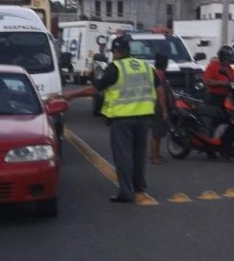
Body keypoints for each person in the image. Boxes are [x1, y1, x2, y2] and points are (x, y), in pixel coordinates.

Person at [64, 36, 167, 204]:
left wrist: (71, 95)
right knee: (139, 156)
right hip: (144, 118)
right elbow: (159, 87)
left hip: (123, 118)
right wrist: (163, 110)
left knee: (123, 156)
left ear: (116, 52)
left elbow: (94, 89)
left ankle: (126, 192)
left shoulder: (115, 67)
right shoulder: (145, 65)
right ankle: (139, 188)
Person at [201, 45, 234, 157]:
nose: (228, 61)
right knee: (212, 122)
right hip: (213, 97)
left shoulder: (229, 68)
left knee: (229, 121)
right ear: (221, 57)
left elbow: (233, 81)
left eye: (229, 60)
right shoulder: (213, 66)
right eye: (226, 59)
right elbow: (206, 81)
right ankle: (209, 148)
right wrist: (220, 83)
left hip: (225, 98)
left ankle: (225, 146)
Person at [150, 52, 169, 164]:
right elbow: (161, 93)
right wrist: (165, 110)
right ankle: (154, 157)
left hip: (152, 104)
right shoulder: (159, 75)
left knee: (157, 132)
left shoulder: (153, 73)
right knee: (156, 133)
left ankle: (156, 154)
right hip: (157, 105)